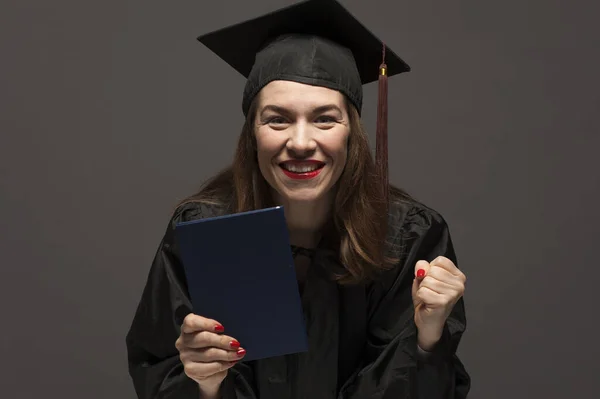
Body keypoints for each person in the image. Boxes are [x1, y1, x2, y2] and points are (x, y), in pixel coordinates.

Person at [125, 0, 470, 398]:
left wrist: (427, 338)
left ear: (352, 133)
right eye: (277, 119)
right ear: (252, 133)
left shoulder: (409, 237)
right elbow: (158, 370)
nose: (302, 142)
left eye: (325, 118)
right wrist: (204, 385)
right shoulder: (202, 229)